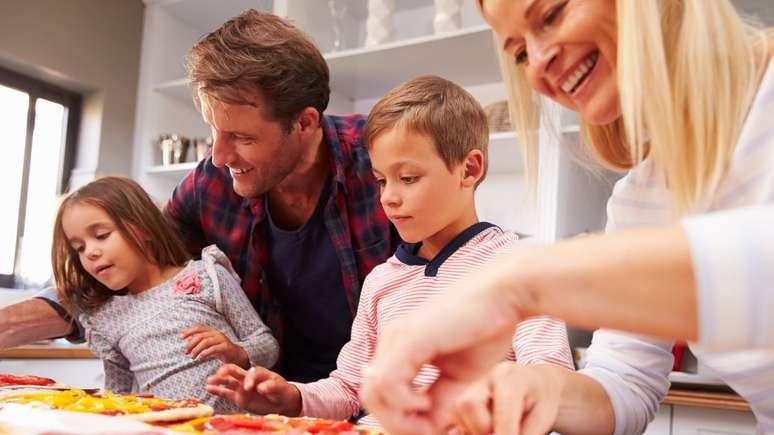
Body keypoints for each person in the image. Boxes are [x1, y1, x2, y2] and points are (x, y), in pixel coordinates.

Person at [360, 1, 774, 434]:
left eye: (552, 14)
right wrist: (538, 388)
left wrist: (521, 282)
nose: (538, 63)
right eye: (519, 52)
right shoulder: (640, 198)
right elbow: (624, 385)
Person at [0, 9, 398, 384]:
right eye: (213, 132)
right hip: (269, 401)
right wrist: (8, 324)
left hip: (382, 395)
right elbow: (132, 260)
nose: (220, 156)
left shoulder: (384, 161)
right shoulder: (211, 184)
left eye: (242, 137)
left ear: (304, 123)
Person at [204, 75, 574, 427]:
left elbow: (549, 377)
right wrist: (293, 398)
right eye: (381, 180)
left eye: (408, 178)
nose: (389, 197)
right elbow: (350, 388)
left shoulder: (518, 268)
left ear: (469, 169)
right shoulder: (383, 281)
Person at [51, 176, 278, 413]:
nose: (90, 253)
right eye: (79, 248)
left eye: (101, 235)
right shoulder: (105, 317)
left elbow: (267, 345)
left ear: (143, 228)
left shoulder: (207, 276)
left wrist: (237, 353)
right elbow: (117, 398)